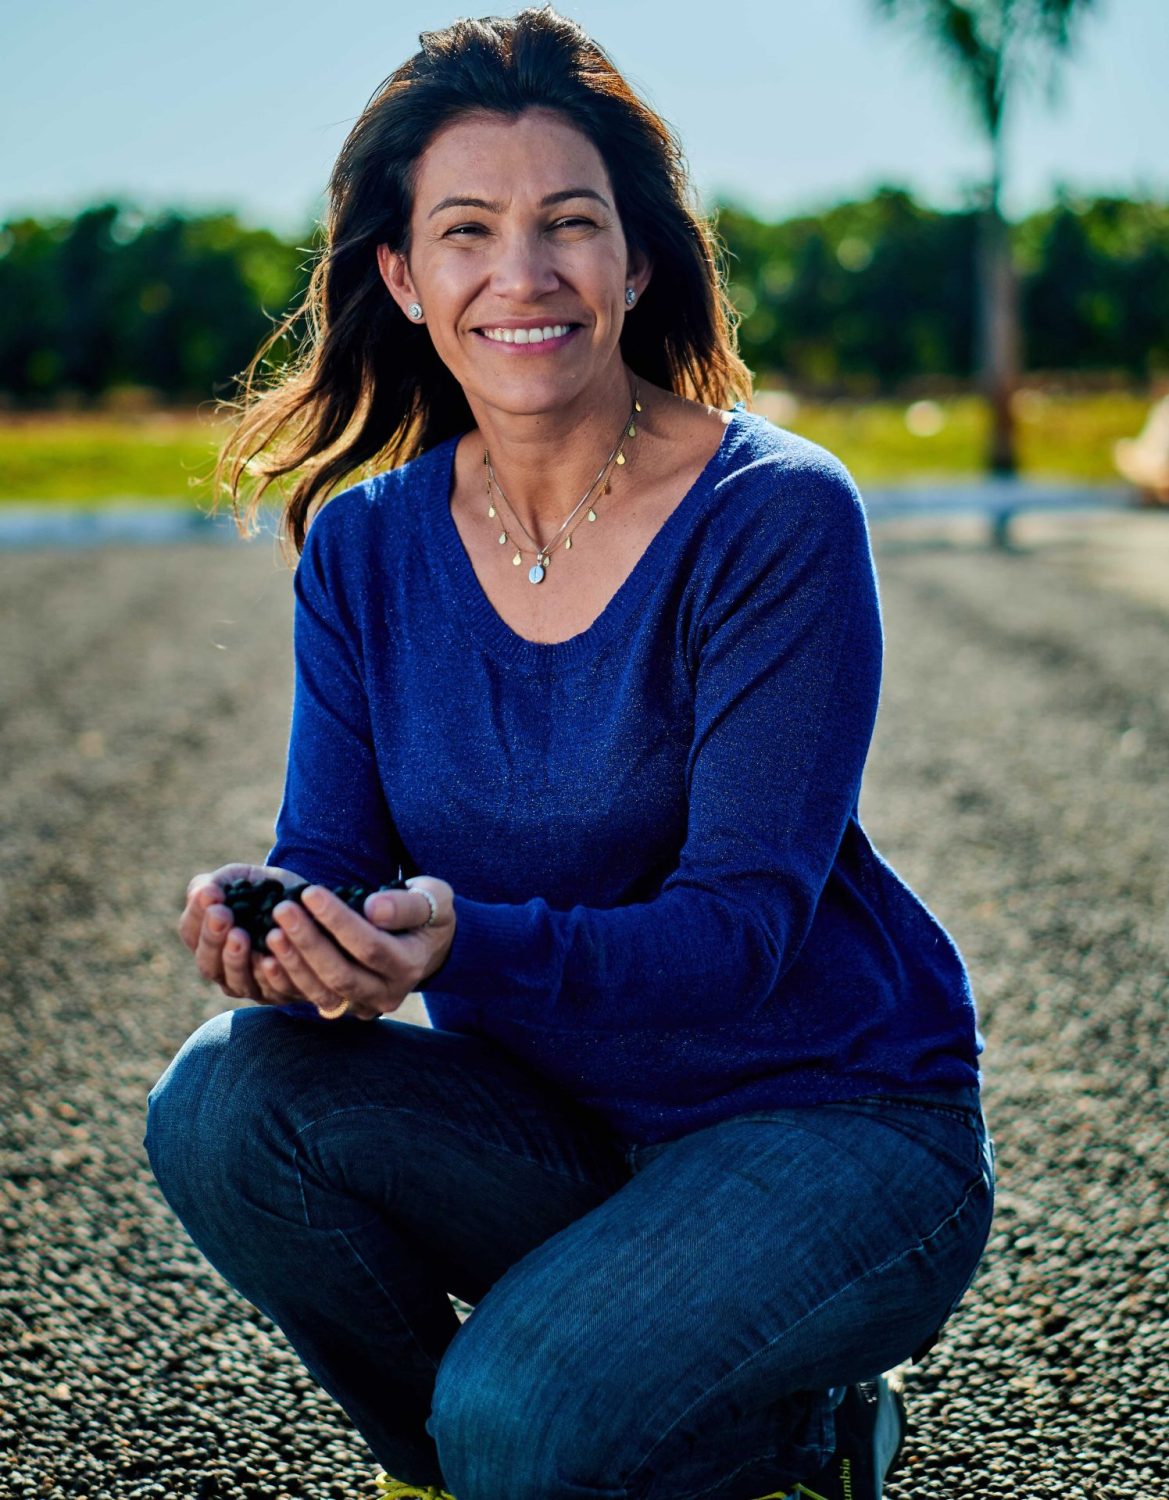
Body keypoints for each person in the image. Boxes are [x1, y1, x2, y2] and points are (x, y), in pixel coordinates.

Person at [145, 10, 995, 1500]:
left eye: (568, 224)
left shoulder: (771, 515)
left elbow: (740, 933)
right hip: (554, 1128)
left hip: (828, 1125)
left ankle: (773, 1435)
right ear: (403, 279)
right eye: (466, 231)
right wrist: (277, 928)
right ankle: (500, 1461)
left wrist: (464, 942)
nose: (520, 275)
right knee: (222, 1102)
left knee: (527, 1413)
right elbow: (334, 859)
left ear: (637, 259)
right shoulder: (362, 546)